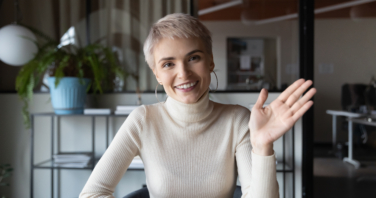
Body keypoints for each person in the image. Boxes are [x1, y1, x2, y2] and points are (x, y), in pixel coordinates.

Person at [79, 13, 316, 198]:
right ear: (157, 74)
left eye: (193, 58)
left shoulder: (237, 120)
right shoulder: (142, 120)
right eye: (168, 64)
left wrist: (263, 146)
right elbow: (91, 193)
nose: (183, 73)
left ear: (210, 60)